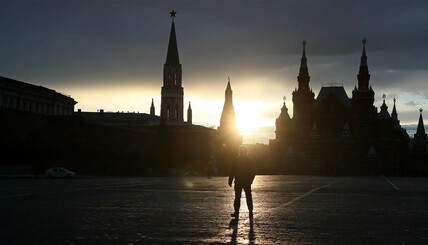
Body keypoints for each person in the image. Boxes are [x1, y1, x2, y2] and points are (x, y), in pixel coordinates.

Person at [228, 145, 256, 219]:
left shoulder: (238, 160)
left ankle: (243, 212)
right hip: (242, 181)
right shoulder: (249, 160)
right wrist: (251, 180)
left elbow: (253, 171)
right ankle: (245, 212)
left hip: (242, 181)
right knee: (244, 197)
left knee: (241, 197)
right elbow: (233, 170)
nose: (241, 152)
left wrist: (230, 180)